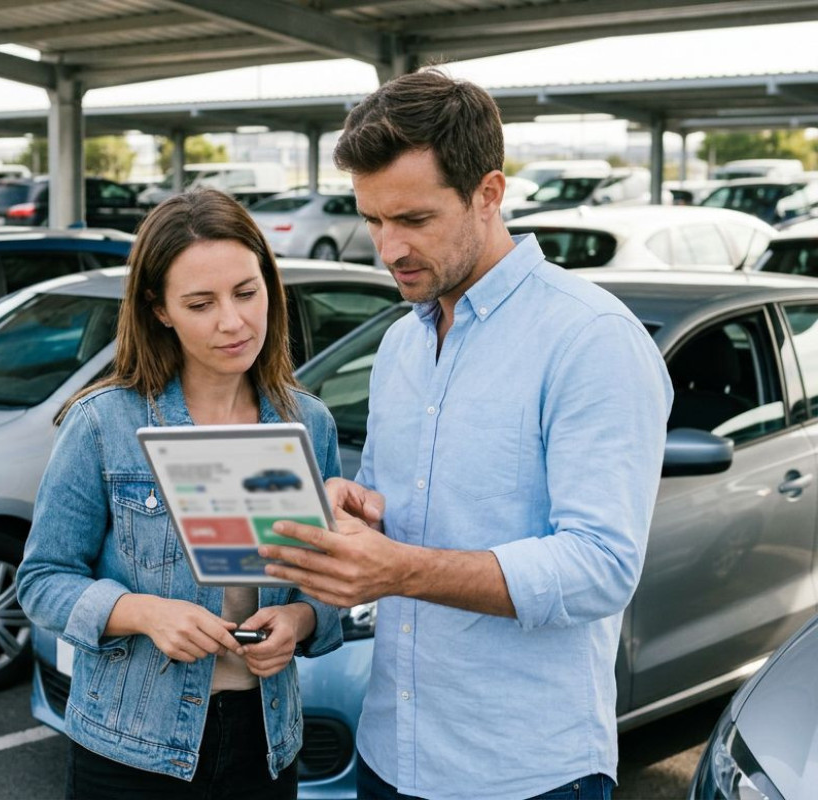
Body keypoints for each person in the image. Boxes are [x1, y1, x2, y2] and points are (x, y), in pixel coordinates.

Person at [259, 69, 672, 800]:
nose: (389, 249)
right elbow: (400, 518)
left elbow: (601, 565)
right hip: (391, 752)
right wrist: (356, 508)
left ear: (489, 193)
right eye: (374, 221)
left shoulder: (591, 340)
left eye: (413, 220)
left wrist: (396, 568)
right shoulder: (402, 346)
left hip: (526, 773)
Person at [17, 188, 345, 800]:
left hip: (266, 741)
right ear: (159, 309)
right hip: (129, 744)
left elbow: (326, 588)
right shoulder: (102, 424)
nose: (233, 321)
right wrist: (144, 614)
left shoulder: (310, 424)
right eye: (201, 303)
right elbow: (42, 581)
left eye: (248, 293)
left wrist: (300, 619)